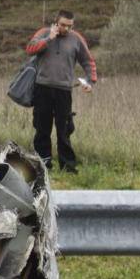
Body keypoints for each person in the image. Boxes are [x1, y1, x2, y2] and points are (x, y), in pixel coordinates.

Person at [25, 9, 97, 172]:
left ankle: (68, 167)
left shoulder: (76, 39)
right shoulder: (43, 33)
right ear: (56, 22)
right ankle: (43, 166)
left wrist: (90, 81)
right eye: (63, 25)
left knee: (64, 130)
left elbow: (88, 61)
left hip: (64, 91)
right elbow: (30, 49)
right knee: (42, 129)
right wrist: (48, 39)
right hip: (42, 88)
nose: (66, 29)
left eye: (70, 26)